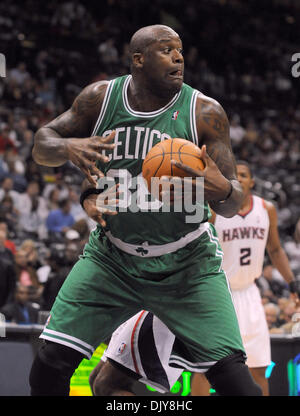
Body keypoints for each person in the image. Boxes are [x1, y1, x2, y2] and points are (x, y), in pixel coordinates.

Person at [29, 25, 261, 396]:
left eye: (180, 50)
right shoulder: (100, 98)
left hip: (187, 264)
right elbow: (43, 143)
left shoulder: (204, 112)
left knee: (238, 386)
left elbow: (232, 204)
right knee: (47, 367)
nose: (179, 57)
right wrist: (68, 147)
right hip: (112, 259)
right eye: (167, 50)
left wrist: (223, 190)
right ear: (138, 59)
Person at [88, 161, 300, 396]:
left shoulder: (264, 208)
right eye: (235, 174)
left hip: (240, 292)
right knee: (207, 372)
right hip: (212, 287)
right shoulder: (209, 209)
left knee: (256, 369)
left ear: (251, 181)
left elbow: (276, 250)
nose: (239, 178)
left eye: (244, 174)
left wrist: (292, 282)